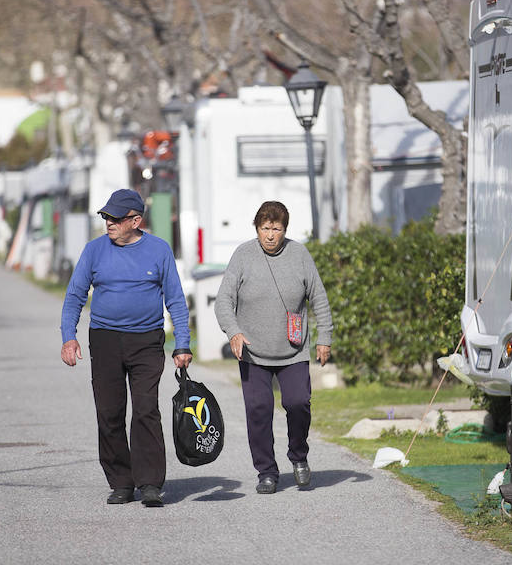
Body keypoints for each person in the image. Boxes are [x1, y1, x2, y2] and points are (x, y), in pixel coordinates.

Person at [60, 189, 192, 507]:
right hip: (104, 339)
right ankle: (121, 481)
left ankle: (149, 483)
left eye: (116, 218)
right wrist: (69, 336)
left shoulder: (159, 250)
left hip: (146, 340)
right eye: (106, 217)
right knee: (109, 412)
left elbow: (175, 298)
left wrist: (183, 344)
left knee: (146, 409)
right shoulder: (94, 251)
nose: (109, 223)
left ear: (136, 220)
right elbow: (75, 294)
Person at [214, 201, 332, 494]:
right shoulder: (243, 255)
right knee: (258, 409)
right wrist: (234, 332)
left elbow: (319, 298)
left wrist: (324, 338)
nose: (270, 235)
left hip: (293, 349)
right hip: (253, 351)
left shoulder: (299, 254)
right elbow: (223, 301)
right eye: (265, 228)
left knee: (297, 402)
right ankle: (266, 471)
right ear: (257, 228)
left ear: (284, 230)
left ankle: (299, 456)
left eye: (276, 229)